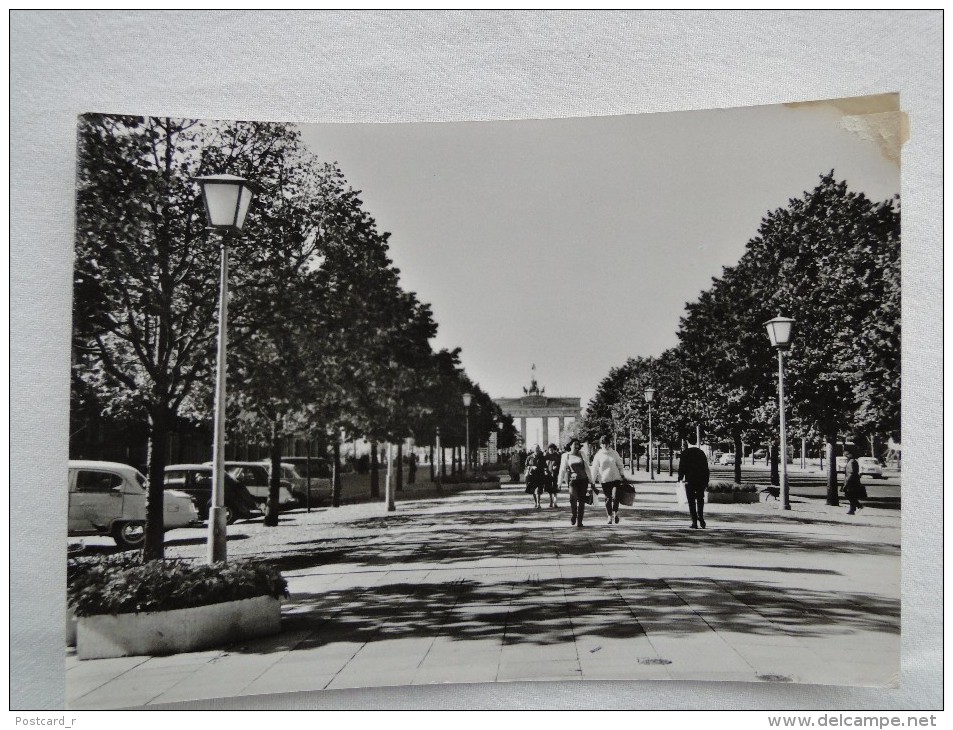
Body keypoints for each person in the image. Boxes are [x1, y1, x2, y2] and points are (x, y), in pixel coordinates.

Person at [591, 435, 627, 524]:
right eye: (603, 444)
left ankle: (615, 513)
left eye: (606, 444)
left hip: (616, 479)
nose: (605, 446)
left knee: (615, 497)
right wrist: (592, 480)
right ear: (600, 444)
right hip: (604, 480)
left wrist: (622, 475)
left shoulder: (614, 453)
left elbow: (620, 465)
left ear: (609, 444)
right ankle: (609, 517)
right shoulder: (598, 455)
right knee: (608, 498)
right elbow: (595, 468)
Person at [557, 438, 594, 528]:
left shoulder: (582, 454)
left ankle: (580, 520)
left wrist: (591, 481)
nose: (577, 446)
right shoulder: (566, 456)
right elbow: (562, 470)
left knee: (582, 501)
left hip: (583, 480)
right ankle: (574, 515)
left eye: (578, 445)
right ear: (570, 446)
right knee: (572, 498)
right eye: (575, 444)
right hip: (572, 481)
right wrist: (559, 483)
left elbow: (587, 468)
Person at [677, 438, 709, 529]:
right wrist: (706, 481)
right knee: (700, 499)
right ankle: (701, 516)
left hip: (689, 480)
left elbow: (681, 467)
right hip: (700, 480)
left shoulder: (685, 453)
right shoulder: (701, 453)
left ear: (687, 442)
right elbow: (706, 468)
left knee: (691, 501)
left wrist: (680, 478)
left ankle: (694, 522)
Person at [842, 449, 866, 515]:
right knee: (852, 495)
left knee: (848, 495)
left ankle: (859, 506)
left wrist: (846, 483)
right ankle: (852, 510)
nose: (845, 456)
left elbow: (851, 473)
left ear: (850, 454)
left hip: (851, 482)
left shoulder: (851, 462)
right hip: (853, 481)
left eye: (846, 455)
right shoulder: (852, 461)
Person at [543, 443, 562, 508]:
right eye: (550, 449)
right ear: (548, 450)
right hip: (548, 474)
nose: (551, 450)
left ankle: (555, 502)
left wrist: (557, 467)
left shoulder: (557, 456)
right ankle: (551, 501)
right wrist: (545, 470)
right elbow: (543, 465)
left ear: (554, 449)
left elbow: (561, 465)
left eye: (552, 449)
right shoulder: (546, 456)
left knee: (555, 488)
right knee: (549, 489)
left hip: (555, 474)